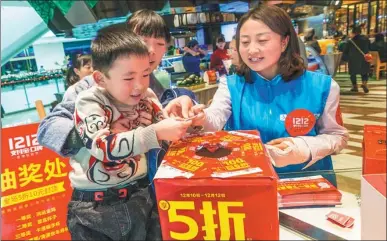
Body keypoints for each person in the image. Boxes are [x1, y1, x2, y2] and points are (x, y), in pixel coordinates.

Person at [164, 4, 348, 186]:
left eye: (262, 40)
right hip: (250, 185)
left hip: (309, 185)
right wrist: (199, 118)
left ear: (284, 42)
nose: (251, 50)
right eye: (244, 42)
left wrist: (303, 148)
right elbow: (215, 117)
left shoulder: (323, 86)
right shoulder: (231, 85)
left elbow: (337, 136)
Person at [65, 24, 191, 241]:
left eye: (145, 74)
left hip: (140, 197)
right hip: (94, 209)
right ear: (100, 78)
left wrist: (187, 121)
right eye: (128, 78)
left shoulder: (147, 96)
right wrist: (156, 132)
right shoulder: (89, 100)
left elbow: (166, 128)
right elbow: (102, 146)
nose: (139, 85)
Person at [342, 25, 371, 93]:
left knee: (353, 73)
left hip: (353, 60)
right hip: (364, 58)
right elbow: (370, 48)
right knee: (364, 72)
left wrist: (345, 58)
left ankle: (355, 87)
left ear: (354, 33)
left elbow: (346, 51)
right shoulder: (366, 39)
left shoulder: (351, 41)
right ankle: (364, 84)